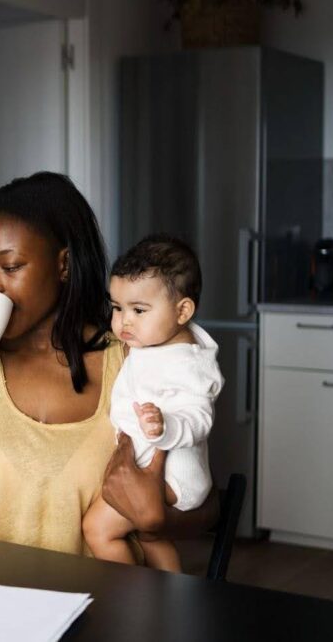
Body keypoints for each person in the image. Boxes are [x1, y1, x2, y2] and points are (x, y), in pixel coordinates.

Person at [0, 172, 217, 560]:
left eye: (11, 266)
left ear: (64, 264)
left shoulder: (133, 359)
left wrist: (155, 520)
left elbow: (204, 504)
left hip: (110, 608)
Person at [82, 235, 224, 572]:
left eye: (139, 310)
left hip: (172, 476)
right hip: (158, 474)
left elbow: (200, 415)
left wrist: (167, 425)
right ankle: (171, 605)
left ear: (182, 311)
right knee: (152, 539)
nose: (124, 321)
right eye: (117, 308)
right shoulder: (154, 345)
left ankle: (134, 600)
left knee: (97, 530)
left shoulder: (186, 362)